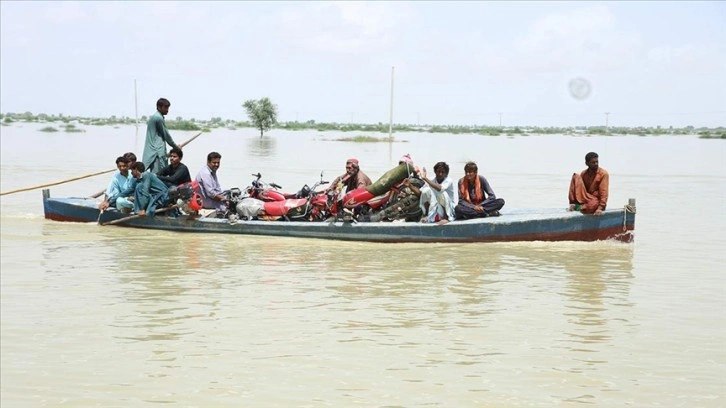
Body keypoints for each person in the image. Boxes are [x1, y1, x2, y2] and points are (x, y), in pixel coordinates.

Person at [142, 98, 179, 174]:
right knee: (158, 175)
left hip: (153, 151)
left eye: (168, 108)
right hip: (157, 152)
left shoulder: (156, 117)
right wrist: (176, 147)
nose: (167, 110)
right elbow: (166, 135)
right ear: (159, 107)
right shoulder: (158, 118)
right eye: (165, 107)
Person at [568, 151, 609, 216]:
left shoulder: (603, 174)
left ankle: (579, 207)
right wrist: (573, 201)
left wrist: (600, 208)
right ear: (587, 163)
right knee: (575, 176)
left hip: (594, 200)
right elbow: (579, 189)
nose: (596, 164)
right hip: (585, 198)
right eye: (593, 162)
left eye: (597, 162)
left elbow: (604, 192)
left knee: (594, 204)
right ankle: (574, 205)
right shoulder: (584, 173)